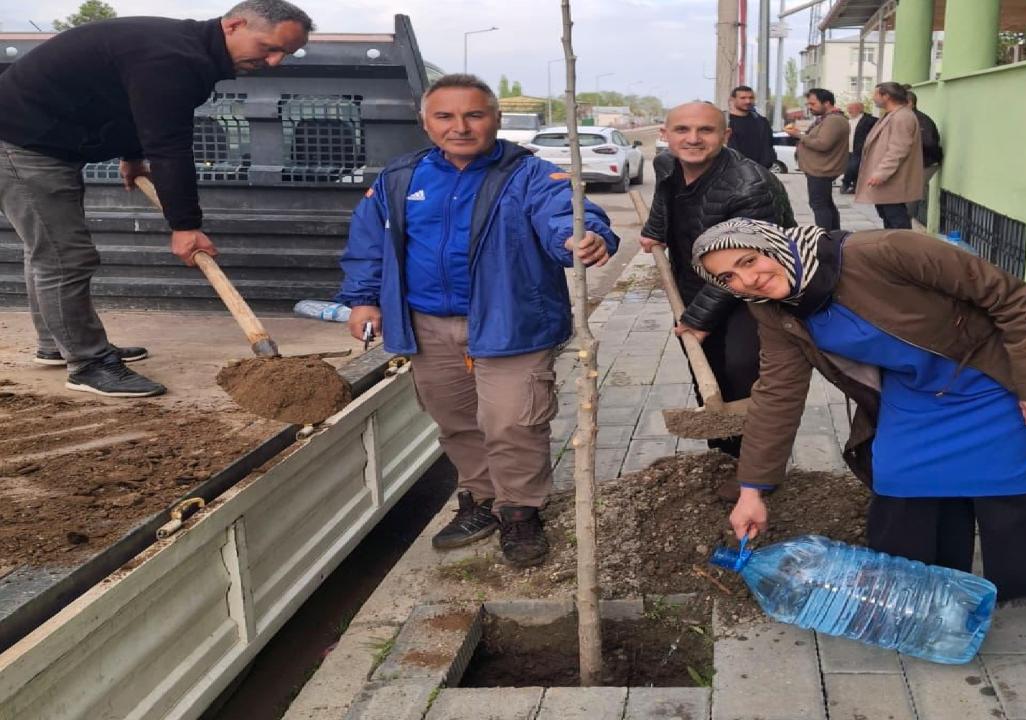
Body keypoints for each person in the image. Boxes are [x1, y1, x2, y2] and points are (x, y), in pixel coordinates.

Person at [691, 218, 1026, 651]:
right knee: (898, 480)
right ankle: (927, 587)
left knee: (1016, 483)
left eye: (749, 261)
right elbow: (778, 392)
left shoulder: (885, 252)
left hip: (999, 374)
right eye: (728, 278)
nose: (746, 280)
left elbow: (1015, 300)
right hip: (919, 387)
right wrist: (753, 489)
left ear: (775, 244)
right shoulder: (773, 311)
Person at [337, 74, 619, 567]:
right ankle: (481, 499)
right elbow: (368, 243)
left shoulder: (528, 175)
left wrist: (582, 238)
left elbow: (566, 213)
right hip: (427, 325)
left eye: (474, 115)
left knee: (512, 421)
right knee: (456, 420)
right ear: (426, 123)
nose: (460, 127)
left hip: (511, 321)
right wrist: (363, 299)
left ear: (496, 120)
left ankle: (521, 510)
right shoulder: (400, 178)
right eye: (445, 116)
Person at [0, 0, 312, 397]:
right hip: (20, 141)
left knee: (48, 249)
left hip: (46, 141)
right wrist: (185, 226)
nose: (275, 62)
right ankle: (89, 363)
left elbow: (132, 104)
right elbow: (171, 146)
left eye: (286, 53)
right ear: (234, 25)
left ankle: (57, 344)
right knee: (64, 256)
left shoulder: (185, 50)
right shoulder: (174, 57)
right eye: (269, 48)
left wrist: (132, 156)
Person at [640, 102, 794, 464]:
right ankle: (724, 453)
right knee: (706, 368)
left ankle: (755, 468)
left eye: (705, 131)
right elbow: (665, 195)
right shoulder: (666, 163)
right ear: (666, 135)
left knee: (743, 370)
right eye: (682, 130)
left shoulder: (750, 185)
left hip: (756, 294)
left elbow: (746, 268)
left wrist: (699, 318)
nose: (693, 139)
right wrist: (654, 230)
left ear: (725, 136)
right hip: (694, 283)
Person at [855, 82, 923, 230]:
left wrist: (881, 173)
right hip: (887, 180)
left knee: (896, 219)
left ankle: (902, 251)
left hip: (892, 180)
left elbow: (898, 149)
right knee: (888, 217)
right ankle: (893, 249)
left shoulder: (902, 117)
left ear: (886, 96)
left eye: (876, 94)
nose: (873, 98)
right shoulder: (893, 115)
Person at [784, 88, 849, 231]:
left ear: (826, 103)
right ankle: (833, 234)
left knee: (819, 205)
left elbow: (822, 144)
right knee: (826, 204)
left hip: (821, 169)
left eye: (813, 104)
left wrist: (799, 135)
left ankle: (825, 237)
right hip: (820, 168)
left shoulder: (833, 120)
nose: (810, 107)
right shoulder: (829, 119)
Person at [906, 89, 943, 219]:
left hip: (926, 162)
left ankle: (906, 225)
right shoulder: (910, 118)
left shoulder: (921, 120)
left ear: (910, 103)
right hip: (917, 162)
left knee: (913, 192)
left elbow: (928, 143)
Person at [725, 85, 777, 170]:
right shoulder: (725, 122)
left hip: (760, 171)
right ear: (732, 99)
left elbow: (769, 144)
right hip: (732, 171)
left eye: (751, 98)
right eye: (743, 98)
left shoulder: (761, 122)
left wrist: (767, 162)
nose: (748, 101)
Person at [839, 101, 878, 194]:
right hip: (848, 149)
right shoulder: (848, 120)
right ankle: (855, 187)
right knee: (853, 168)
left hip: (860, 149)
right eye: (848, 108)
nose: (849, 110)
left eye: (852, 108)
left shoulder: (870, 120)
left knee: (852, 167)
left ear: (860, 109)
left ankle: (846, 183)